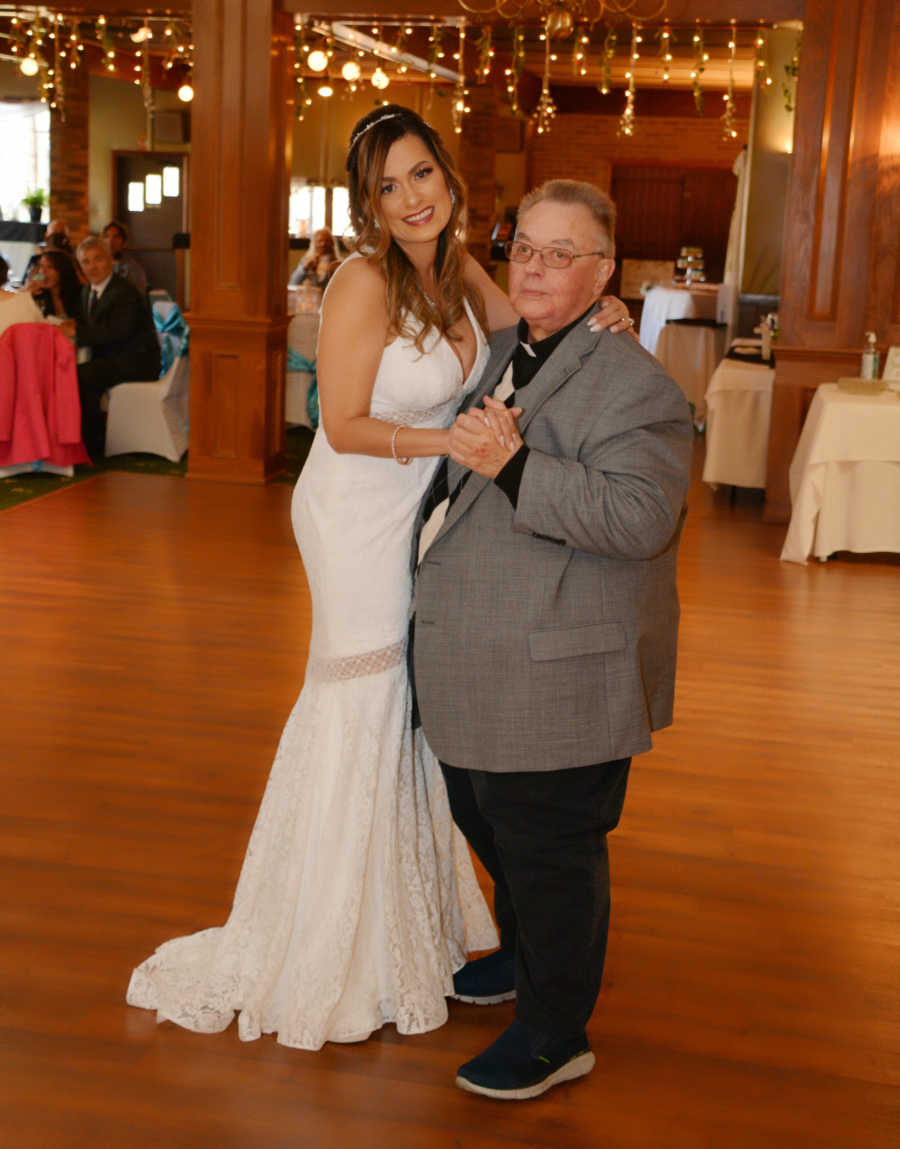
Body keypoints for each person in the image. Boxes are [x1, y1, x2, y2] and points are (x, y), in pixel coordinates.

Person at [125, 107, 633, 1051]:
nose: (411, 200)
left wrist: (603, 305)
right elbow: (343, 423)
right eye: (389, 187)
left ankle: (403, 914)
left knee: (411, 700)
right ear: (369, 204)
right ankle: (330, 937)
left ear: (448, 173)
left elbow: (528, 314)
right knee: (365, 695)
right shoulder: (367, 279)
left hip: (416, 511)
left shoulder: (456, 269)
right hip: (357, 508)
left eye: (421, 176)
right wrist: (455, 442)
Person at [412, 179, 693, 1100]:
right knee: (486, 814)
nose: (534, 265)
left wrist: (517, 465)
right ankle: (526, 954)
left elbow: (641, 515)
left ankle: (555, 1028)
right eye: (524, 246)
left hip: (564, 662)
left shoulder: (636, 383)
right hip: (482, 651)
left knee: (551, 848)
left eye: (561, 253)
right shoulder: (502, 348)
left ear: (605, 270)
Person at [62, 236, 160, 456]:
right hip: (111, 359)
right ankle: (84, 440)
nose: (92, 267)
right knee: (71, 372)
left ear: (110, 261)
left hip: (136, 362)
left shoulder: (124, 292)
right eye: (86, 262)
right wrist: (73, 327)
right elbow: (91, 327)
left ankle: (92, 446)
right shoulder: (88, 291)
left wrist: (76, 333)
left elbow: (116, 332)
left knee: (82, 375)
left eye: (98, 259)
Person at [24, 249, 84, 322]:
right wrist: (27, 292)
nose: (43, 271)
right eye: (41, 266)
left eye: (50, 267)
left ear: (61, 271)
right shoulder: (38, 295)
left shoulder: (81, 294)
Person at [102, 219, 148, 294]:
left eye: (116, 237)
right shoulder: (98, 265)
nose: (110, 241)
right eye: (107, 236)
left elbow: (139, 293)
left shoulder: (132, 268)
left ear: (124, 242)